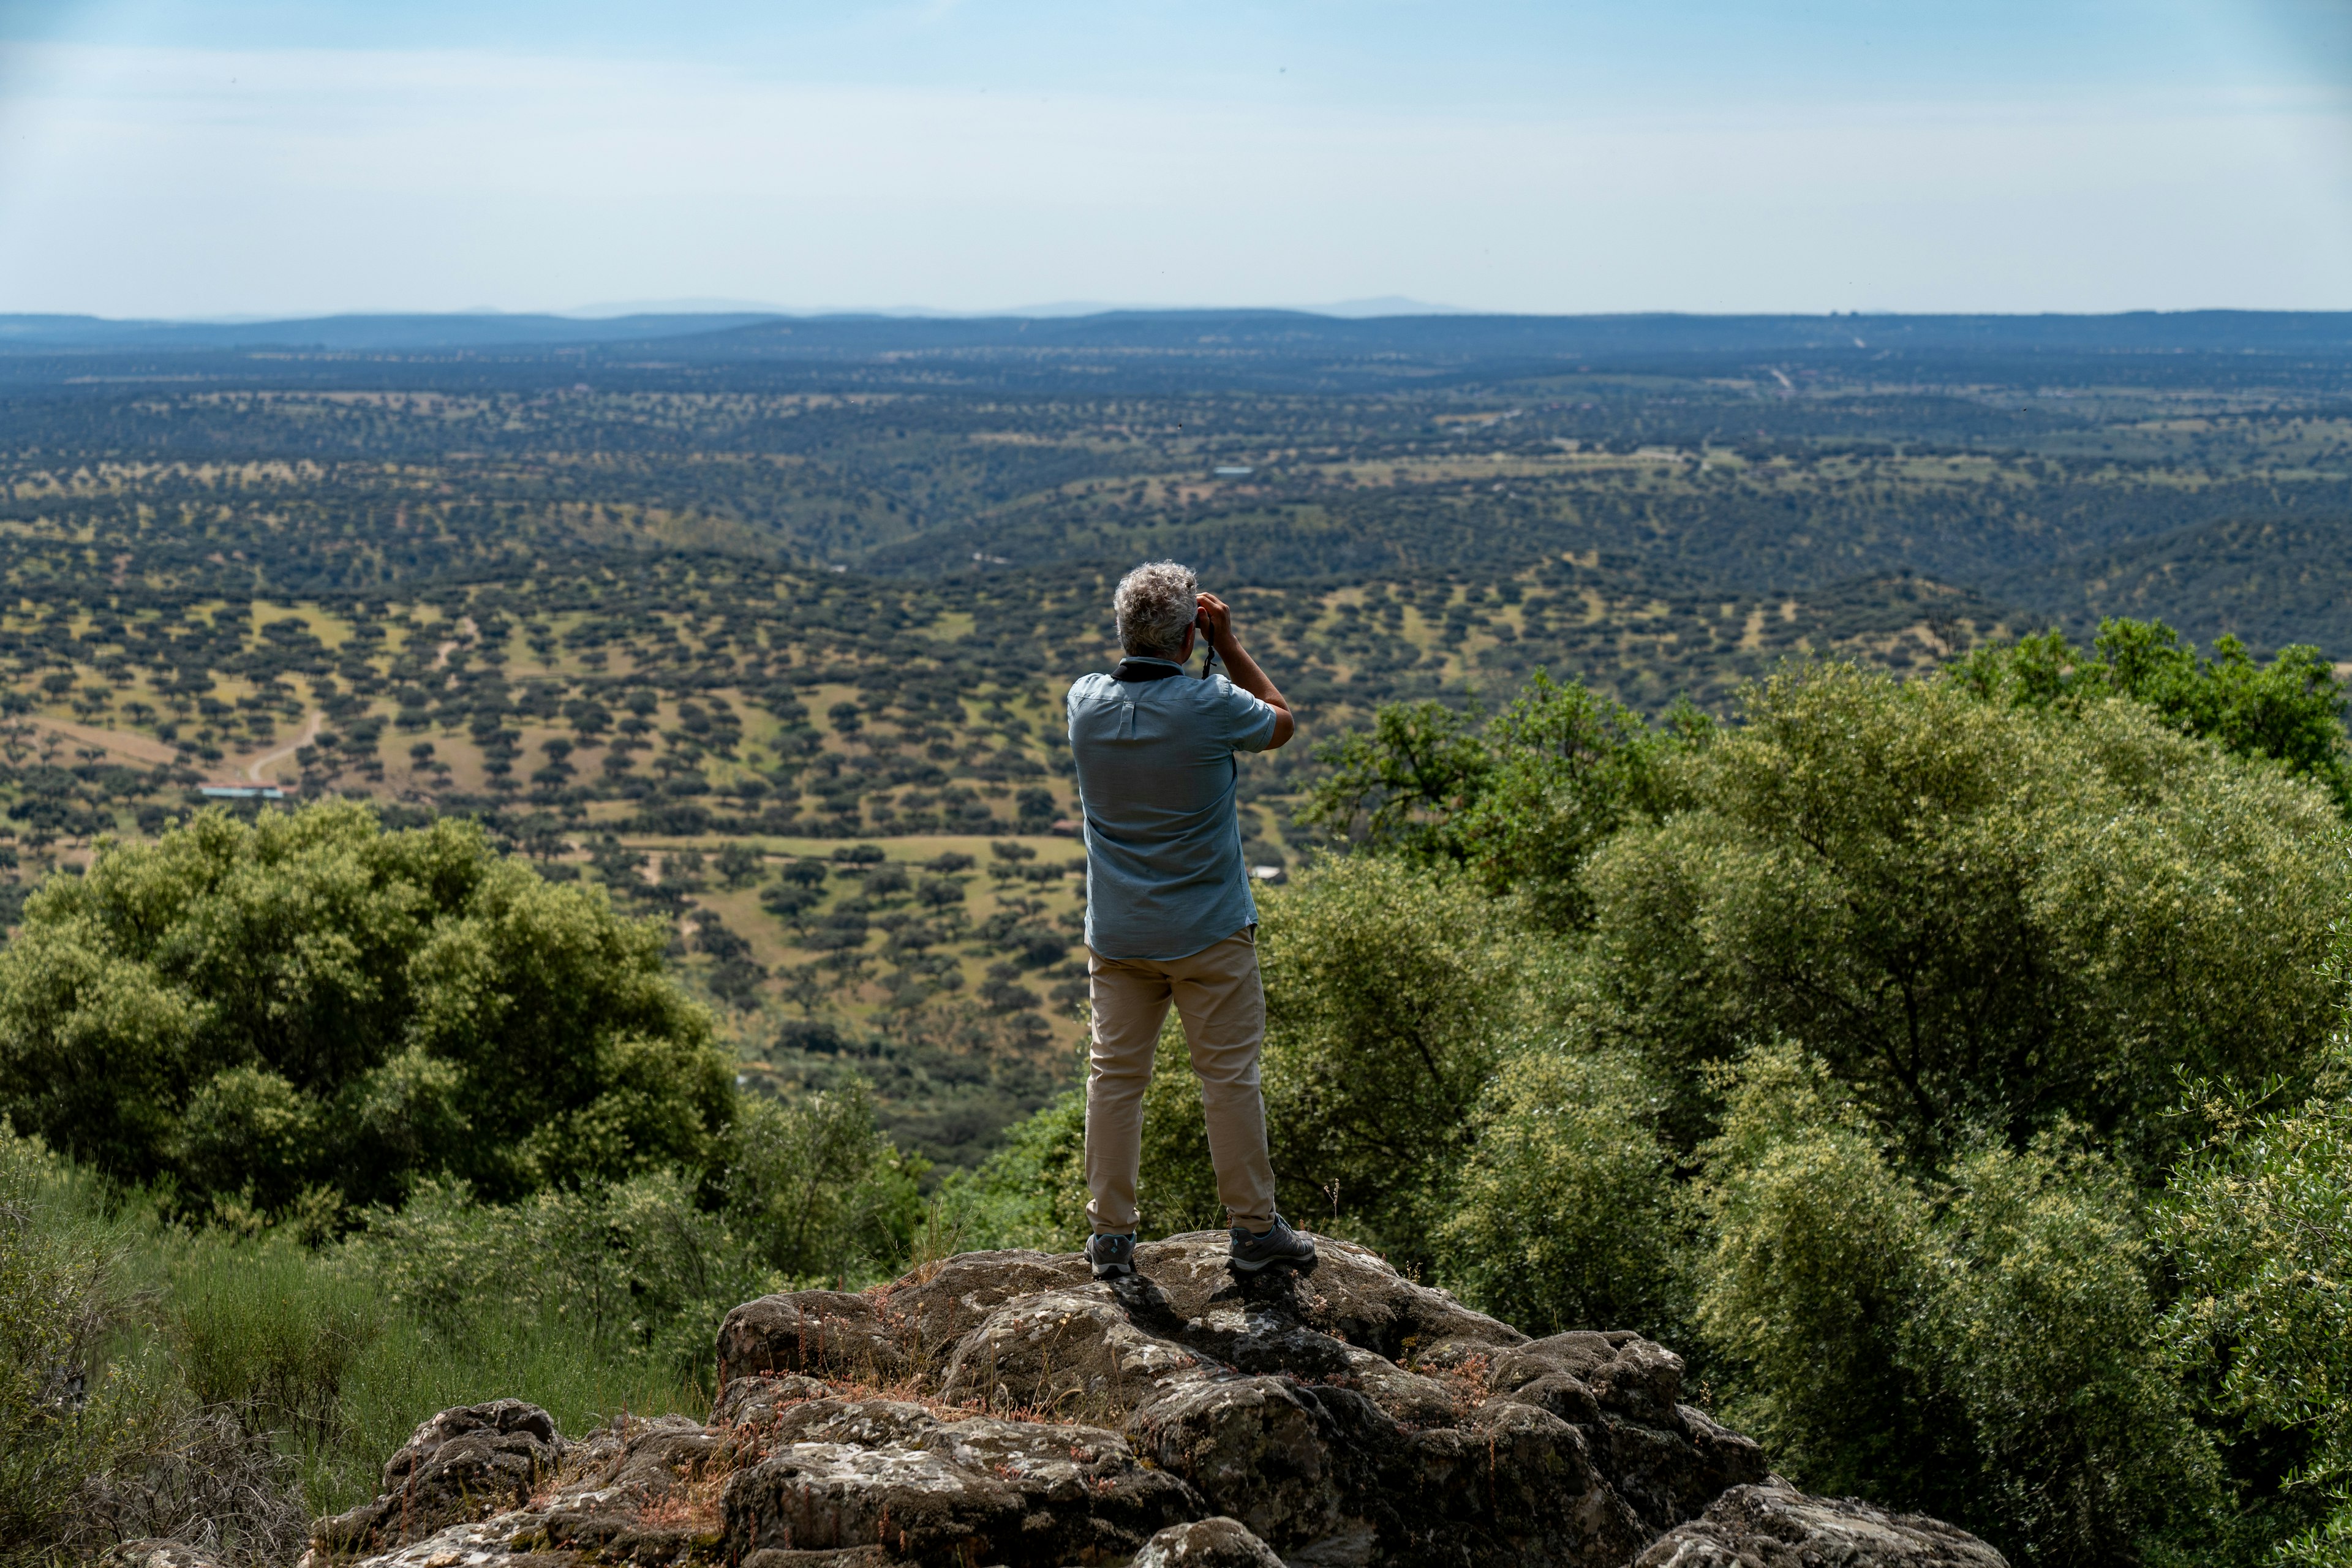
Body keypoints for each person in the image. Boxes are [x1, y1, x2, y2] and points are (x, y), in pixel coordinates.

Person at [1065, 559, 1318, 1281]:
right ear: (1188, 638)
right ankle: (1254, 1229)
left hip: (1119, 936)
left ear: (1123, 633)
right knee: (1229, 1078)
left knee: (1114, 1078)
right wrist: (1230, 644)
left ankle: (1111, 1239)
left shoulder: (1084, 701)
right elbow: (1282, 722)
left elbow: (1122, 682)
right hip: (1209, 932)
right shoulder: (1211, 704)